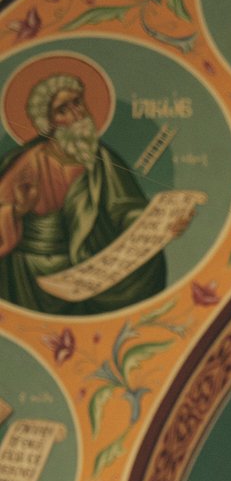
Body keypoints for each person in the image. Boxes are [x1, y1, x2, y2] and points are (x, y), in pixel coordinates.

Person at [0, 71, 193, 314]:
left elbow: (125, 207)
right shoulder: (28, 163)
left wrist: (161, 224)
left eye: (77, 102)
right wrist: (17, 212)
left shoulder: (102, 159)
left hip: (90, 267)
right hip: (34, 276)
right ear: (48, 123)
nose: (77, 114)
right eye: (62, 110)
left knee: (147, 267)